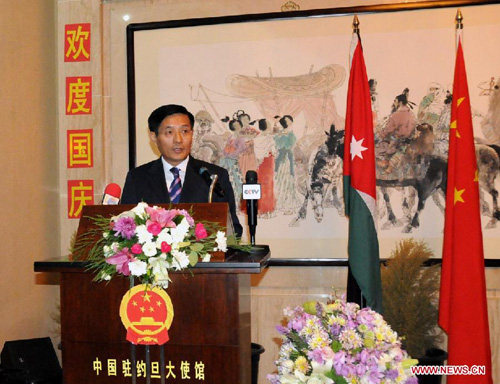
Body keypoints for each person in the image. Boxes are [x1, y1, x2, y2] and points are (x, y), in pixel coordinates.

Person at [121, 104, 243, 237]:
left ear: (192, 134)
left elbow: (233, 231)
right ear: (154, 137)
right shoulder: (137, 178)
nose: (178, 140)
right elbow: (126, 228)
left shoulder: (215, 177)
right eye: (169, 132)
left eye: (184, 131)